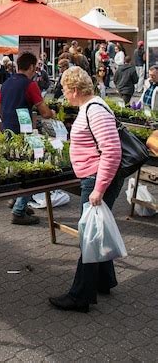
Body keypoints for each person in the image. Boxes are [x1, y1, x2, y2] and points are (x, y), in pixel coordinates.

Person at [49, 66, 123, 313]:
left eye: (65, 89)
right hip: (93, 176)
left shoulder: (95, 110)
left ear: (75, 90)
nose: (63, 94)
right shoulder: (89, 107)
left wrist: (98, 189)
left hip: (96, 178)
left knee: (89, 236)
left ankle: (80, 296)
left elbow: (112, 151)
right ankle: (105, 281)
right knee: (96, 231)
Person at [0, 52, 55, 225]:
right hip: (25, 133)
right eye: (35, 67)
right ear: (30, 67)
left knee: (16, 166)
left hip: (8, 131)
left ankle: (16, 199)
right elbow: (44, 112)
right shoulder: (30, 85)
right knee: (34, 169)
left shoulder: (5, 84)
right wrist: (52, 113)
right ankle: (19, 210)